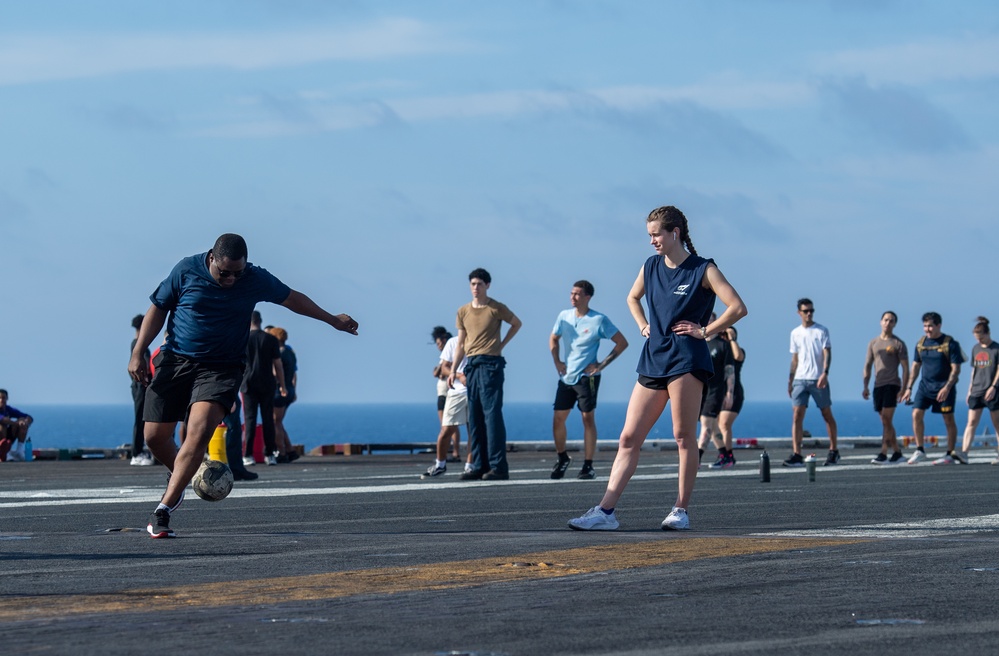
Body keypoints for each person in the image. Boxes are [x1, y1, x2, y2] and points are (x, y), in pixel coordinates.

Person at [128, 233, 358, 539]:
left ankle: (164, 509)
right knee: (154, 437)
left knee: (198, 433)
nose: (231, 280)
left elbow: (293, 299)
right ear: (211, 258)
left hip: (222, 368)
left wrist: (332, 320)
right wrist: (139, 351)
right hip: (176, 360)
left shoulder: (254, 278)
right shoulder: (185, 271)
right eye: (225, 273)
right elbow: (158, 308)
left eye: (238, 273)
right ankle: (186, 475)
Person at [568, 205, 747, 531]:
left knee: (683, 436)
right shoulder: (650, 266)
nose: (651, 241)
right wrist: (642, 325)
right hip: (654, 359)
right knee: (628, 438)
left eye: (656, 234)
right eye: (649, 235)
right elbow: (632, 298)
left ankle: (680, 509)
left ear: (674, 233)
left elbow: (737, 307)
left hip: (687, 360)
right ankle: (605, 512)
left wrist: (706, 331)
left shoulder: (703, 269)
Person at [448, 268, 522, 481]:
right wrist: (453, 370)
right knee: (475, 417)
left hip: (491, 363)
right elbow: (461, 343)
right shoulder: (463, 311)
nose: (475, 288)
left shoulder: (495, 308)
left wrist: (502, 344)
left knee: (492, 415)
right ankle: (479, 465)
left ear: (487, 285)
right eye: (472, 284)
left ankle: (499, 467)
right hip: (471, 364)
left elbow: (517, 323)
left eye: (479, 284)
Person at [549, 280, 629, 480]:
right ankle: (562, 458)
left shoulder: (599, 320)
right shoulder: (563, 316)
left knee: (587, 419)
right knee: (558, 419)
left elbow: (621, 342)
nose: (573, 297)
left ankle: (588, 465)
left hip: (587, 379)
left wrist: (600, 365)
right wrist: (557, 361)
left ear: (587, 297)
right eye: (571, 293)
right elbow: (553, 338)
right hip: (567, 377)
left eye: (577, 294)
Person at [901, 312, 964, 464]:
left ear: (938, 325)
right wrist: (909, 388)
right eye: (925, 326)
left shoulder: (950, 344)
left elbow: (956, 369)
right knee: (916, 414)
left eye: (930, 326)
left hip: (944, 388)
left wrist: (947, 387)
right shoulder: (921, 343)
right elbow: (916, 366)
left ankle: (950, 453)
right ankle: (920, 450)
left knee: (948, 419)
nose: (927, 329)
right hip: (925, 387)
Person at [784, 298, 840, 467]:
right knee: (797, 416)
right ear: (799, 313)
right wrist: (790, 379)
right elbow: (795, 358)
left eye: (811, 311)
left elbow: (827, 352)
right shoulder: (795, 333)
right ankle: (796, 453)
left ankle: (833, 450)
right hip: (800, 379)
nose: (809, 314)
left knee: (826, 414)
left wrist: (825, 373)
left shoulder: (821, 331)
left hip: (817, 378)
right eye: (806, 311)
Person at [862, 311, 909, 465]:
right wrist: (865, 385)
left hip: (892, 384)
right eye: (886, 320)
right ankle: (897, 452)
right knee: (885, 421)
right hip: (878, 385)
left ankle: (883, 452)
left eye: (891, 321)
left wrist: (904, 388)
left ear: (895, 324)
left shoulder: (898, 344)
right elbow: (868, 365)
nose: (888, 323)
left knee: (887, 419)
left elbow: (905, 368)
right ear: (881, 321)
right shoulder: (873, 343)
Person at [241, 311, 287, 467]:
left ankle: (248, 455)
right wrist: (283, 385)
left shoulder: (243, 338)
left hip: (247, 384)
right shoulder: (271, 339)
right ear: (260, 321)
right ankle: (270, 454)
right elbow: (278, 365)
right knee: (268, 419)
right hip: (267, 383)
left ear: (249, 321)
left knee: (250, 420)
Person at [422, 333, 469, 478]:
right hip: (456, 391)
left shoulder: (480, 340)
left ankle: (470, 466)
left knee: (475, 430)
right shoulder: (453, 342)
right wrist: (459, 375)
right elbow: (443, 368)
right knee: (447, 428)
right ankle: (440, 464)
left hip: (476, 391)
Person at [955, 317, 999, 464]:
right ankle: (965, 453)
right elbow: (974, 370)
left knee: (997, 423)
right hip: (977, 390)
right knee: (971, 422)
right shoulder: (975, 349)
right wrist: (969, 390)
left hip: (992, 391)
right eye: (977, 338)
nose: (979, 341)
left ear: (988, 333)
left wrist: (993, 387)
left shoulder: (996, 348)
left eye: (981, 338)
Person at [697, 312, 732, 468]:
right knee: (712, 426)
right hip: (700, 391)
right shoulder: (699, 344)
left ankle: (696, 459)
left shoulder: (723, 345)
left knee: (706, 425)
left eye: (710, 320)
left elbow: (729, 371)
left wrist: (729, 392)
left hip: (715, 391)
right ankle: (725, 455)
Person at [267, 326, 300, 463]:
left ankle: (282, 452)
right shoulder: (290, 352)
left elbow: (275, 373)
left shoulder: (278, 354)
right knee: (279, 421)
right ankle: (290, 450)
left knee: (276, 422)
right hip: (289, 389)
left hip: (279, 390)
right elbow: (294, 374)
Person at [713, 326, 745, 469]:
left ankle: (728, 456)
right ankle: (724, 454)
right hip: (716, 393)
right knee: (714, 425)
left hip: (733, 393)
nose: (723, 336)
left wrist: (731, 338)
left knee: (724, 425)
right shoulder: (719, 351)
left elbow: (739, 357)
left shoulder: (735, 351)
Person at [430, 326, 460, 461]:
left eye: (438, 343)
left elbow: (438, 372)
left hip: (446, 391)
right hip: (444, 391)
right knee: (450, 424)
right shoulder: (445, 357)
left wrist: (438, 370)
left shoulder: (449, 355)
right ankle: (453, 451)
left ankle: (453, 452)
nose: (438, 346)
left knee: (448, 424)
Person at [129, 314, 155, 466]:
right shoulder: (139, 344)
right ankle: (136, 453)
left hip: (139, 386)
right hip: (140, 386)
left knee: (141, 419)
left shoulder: (136, 343)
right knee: (139, 419)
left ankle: (138, 451)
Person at [223, 396, 258, 481]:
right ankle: (235, 469)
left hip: (225, 392)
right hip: (224, 392)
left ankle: (237, 468)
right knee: (233, 428)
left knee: (235, 429)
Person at [0, 389, 33, 462]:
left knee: (22, 421)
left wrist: (25, 422)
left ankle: (19, 451)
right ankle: (4, 452)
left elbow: (29, 417)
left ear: (7, 398)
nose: (1, 400)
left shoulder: (9, 409)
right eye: (0, 398)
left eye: (3, 398)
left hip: (8, 438)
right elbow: (2, 420)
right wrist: (17, 423)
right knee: (3, 425)